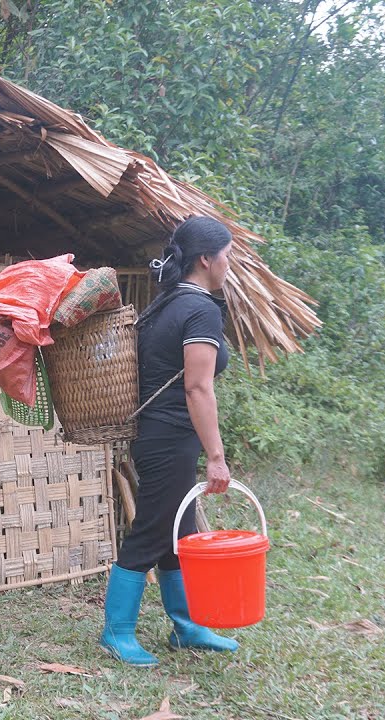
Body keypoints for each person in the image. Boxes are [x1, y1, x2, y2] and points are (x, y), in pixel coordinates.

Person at [100, 215, 239, 666]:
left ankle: (187, 626)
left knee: (178, 532)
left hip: (158, 435)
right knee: (152, 531)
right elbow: (198, 388)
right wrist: (216, 458)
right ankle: (116, 631)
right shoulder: (201, 310)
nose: (228, 266)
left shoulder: (166, 302)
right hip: (170, 436)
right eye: (227, 257)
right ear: (206, 259)